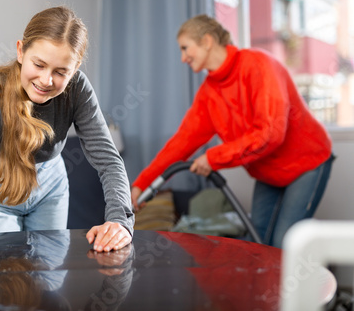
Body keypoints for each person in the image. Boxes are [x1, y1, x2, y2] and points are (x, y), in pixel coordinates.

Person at [0, 6, 134, 269]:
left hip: (49, 186)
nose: (46, 80)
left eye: (61, 71)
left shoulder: (78, 90)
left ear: (75, 68)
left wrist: (120, 221)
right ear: (21, 51)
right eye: (39, 64)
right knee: (3, 281)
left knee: (47, 280)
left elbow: (108, 160)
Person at [131, 14, 333, 248]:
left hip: (307, 163)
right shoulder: (209, 93)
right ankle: (264, 286)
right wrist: (142, 183)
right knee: (256, 244)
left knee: (284, 243)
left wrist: (214, 158)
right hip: (268, 172)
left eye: (186, 48)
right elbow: (181, 143)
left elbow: (271, 133)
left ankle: (318, 285)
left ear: (207, 41)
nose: (183, 58)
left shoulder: (259, 65)